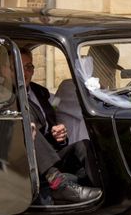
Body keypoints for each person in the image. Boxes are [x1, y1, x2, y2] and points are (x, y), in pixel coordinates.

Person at [21, 47, 101, 204]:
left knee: (84, 145)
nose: (25, 72)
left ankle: (104, 187)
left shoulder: (40, 91)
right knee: (25, 127)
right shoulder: (6, 96)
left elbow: (50, 124)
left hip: (50, 153)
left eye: (29, 67)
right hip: (26, 159)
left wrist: (57, 134)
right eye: (19, 67)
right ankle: (58, 183)